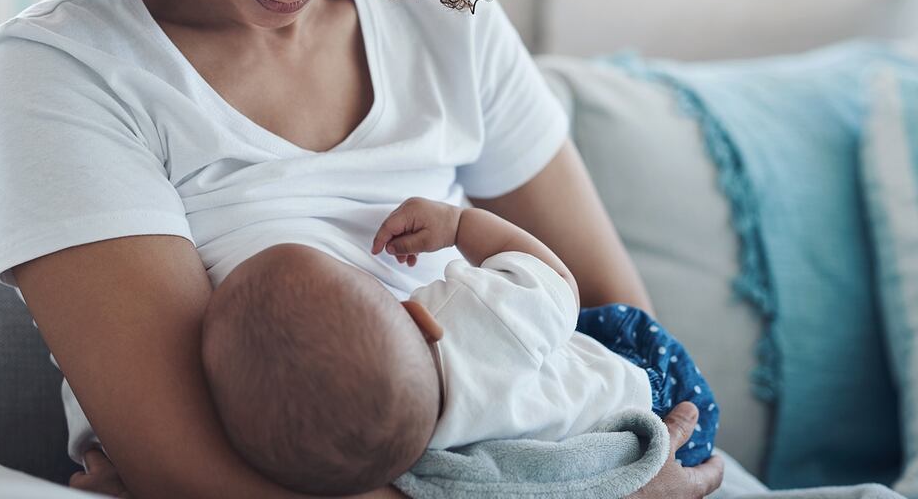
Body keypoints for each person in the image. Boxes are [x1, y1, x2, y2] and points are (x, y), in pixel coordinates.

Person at [0, 0, 726, 497]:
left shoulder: (439, 12)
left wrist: (609, 470)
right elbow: (187, 471)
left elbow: (624, 327)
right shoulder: (65, 67)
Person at [199, 197, 720, 496]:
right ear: (419, 317)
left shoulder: (415, 465)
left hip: (615, 456)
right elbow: (558, 282)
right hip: (651, 388)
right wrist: (461, 225)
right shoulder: (472, 314)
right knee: (594, 324)